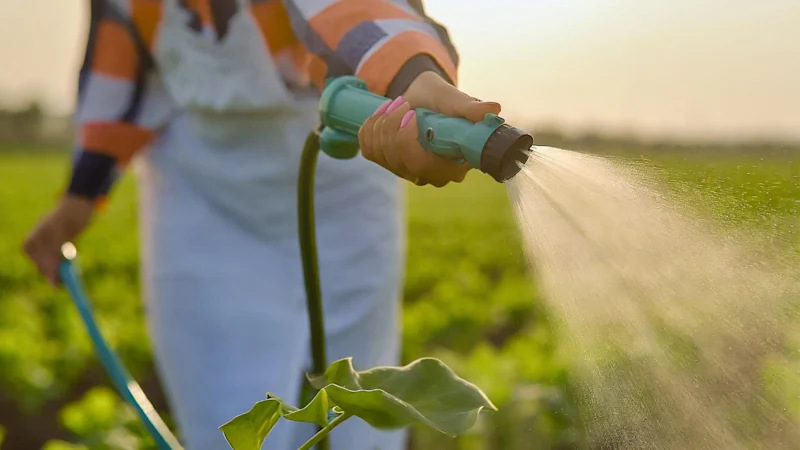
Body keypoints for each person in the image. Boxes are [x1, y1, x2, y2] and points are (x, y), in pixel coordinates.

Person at [23, 0, 501, 448]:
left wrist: (412, 75)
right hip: (202, 183)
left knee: (355, 388)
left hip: (335, 169)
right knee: (222, 405)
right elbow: (118, 51)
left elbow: (353, 12)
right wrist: (80, 196)